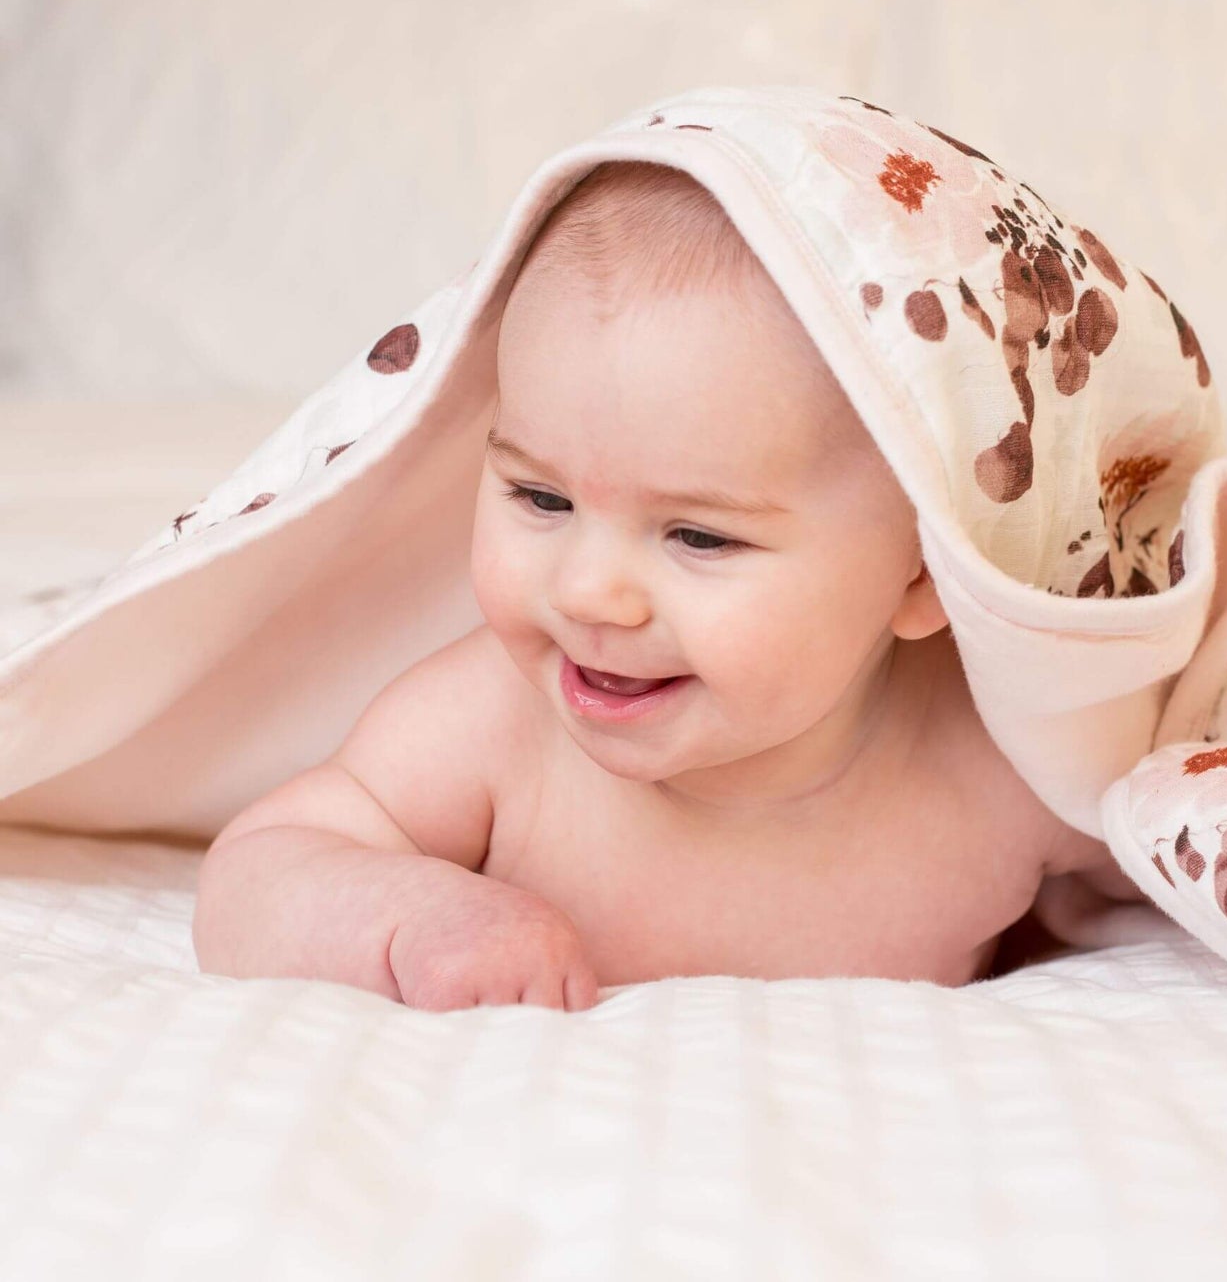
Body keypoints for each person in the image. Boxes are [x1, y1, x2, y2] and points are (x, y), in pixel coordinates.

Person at [191, 160, 1143, 1012]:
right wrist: (410, 915)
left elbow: (1208, 857)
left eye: (697, 534)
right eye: (540, 496)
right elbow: (258, 868)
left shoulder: (1008, 766)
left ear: (932, 567)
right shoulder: (487, 727)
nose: (590, 593)